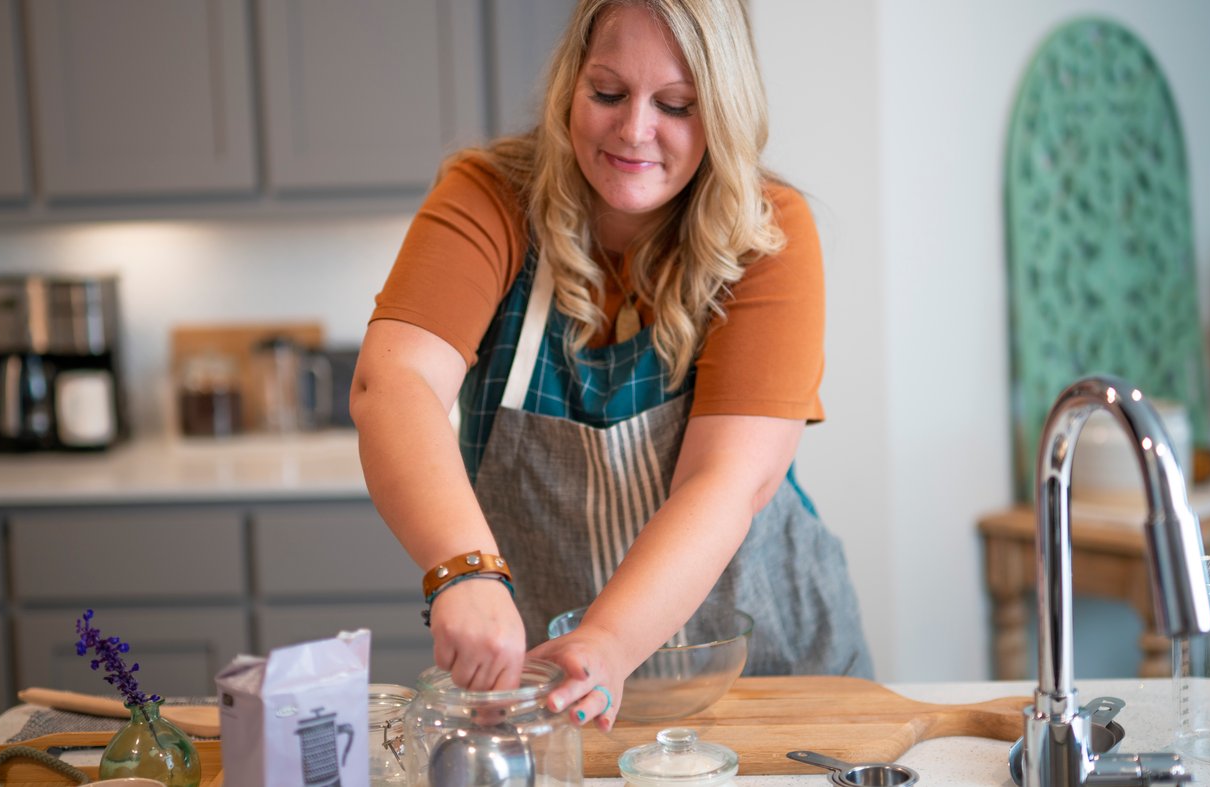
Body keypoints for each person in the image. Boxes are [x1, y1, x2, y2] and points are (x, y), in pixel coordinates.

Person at [351, 0, 871, 732]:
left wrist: (609, 639)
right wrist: (460, 569)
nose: (634, 130)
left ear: (722, 110)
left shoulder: (768, 231)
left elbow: (725, 479)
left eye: (677, 105)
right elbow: (394, 382)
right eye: (607, 93)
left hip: (769, 688)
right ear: (570, 84)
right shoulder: (490, 197)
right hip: (548, 693)